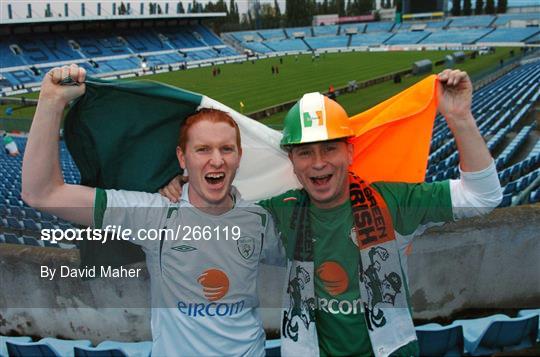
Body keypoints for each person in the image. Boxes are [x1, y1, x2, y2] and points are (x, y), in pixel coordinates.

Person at [160, 69, 503, 356]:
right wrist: (182, 185)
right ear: (292, 162)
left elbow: (482, 196)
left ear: (350, 153)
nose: (319, 162)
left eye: (329, 148)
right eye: (305, 153)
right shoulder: (281, 212)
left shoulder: (390, 202)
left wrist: (460, 118)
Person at [21, 64, 284, 357]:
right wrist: (50, 102)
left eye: (226, 149)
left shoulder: (261, 220)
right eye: (203, 150)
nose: (216, 160)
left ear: (239, 157)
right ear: (182, 158)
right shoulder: (153, 214)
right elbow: (42, 193)